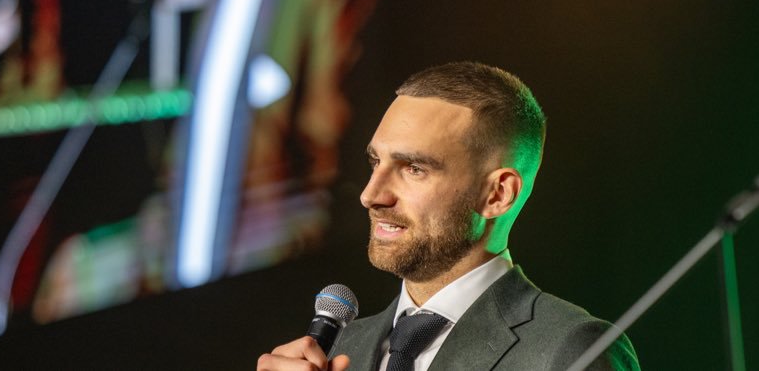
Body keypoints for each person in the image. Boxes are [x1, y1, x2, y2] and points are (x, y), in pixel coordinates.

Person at [257, 62, 639, 371]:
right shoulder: (339, 351)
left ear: (497, 194)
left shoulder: (569, 349)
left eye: (414, 168)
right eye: (376, 162)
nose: (371, 195)